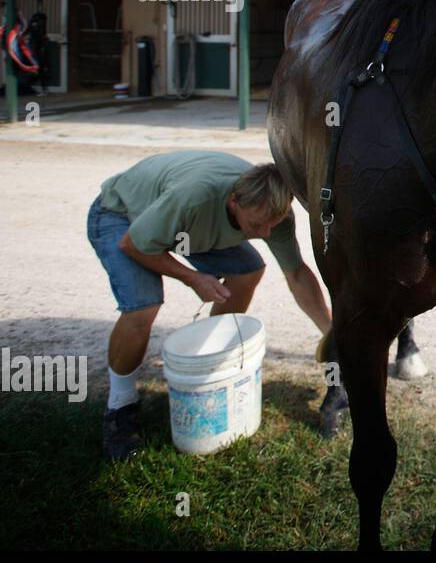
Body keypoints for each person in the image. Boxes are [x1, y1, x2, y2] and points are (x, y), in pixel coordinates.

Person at [87, 150, 332, 460]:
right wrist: (193, 278)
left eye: (273, 224)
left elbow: (296, 273)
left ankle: (204, 361)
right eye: (257, 226)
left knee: (249, 270)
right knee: (143, 305)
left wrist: (331, 331)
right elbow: (133, 244)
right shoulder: (195, 198)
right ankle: (120, 406)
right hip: (122, 215)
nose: (265, 234)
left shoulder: (273, 213)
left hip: (180, 226)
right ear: (234, 202)